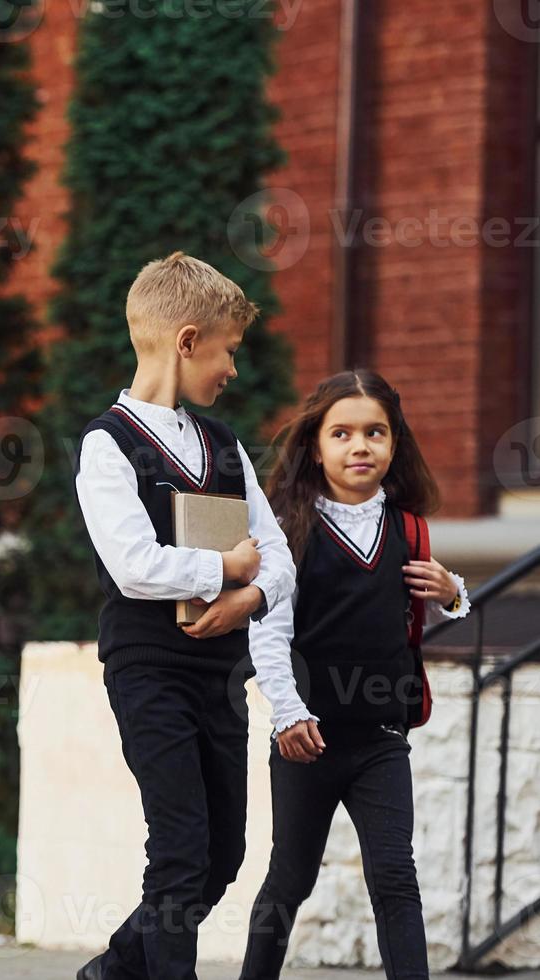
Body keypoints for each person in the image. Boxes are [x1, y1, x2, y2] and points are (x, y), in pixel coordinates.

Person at [73, 252, 296, 980]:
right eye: (229, 350)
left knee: (222, 853)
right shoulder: (106, 445)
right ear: (187, 340)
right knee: (178, 850)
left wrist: (247, 597)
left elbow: (279, 557)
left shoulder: (223, 446)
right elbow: (133, 566)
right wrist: (222, 568)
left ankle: (112, 970)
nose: (232, 368)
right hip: (148, 669)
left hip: (216, 673)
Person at [240, 369, 468, 980]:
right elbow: (268, 631)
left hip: (381, 741)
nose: (359, 445)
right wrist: (287, 714)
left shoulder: (408, 529)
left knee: (396, 878)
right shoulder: (289, 530)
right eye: (341, 433)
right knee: (289, 880)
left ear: (395, 444)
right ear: (316, 445)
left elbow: (425, 609)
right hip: (308, 740)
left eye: (375, 432)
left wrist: (453, 592)